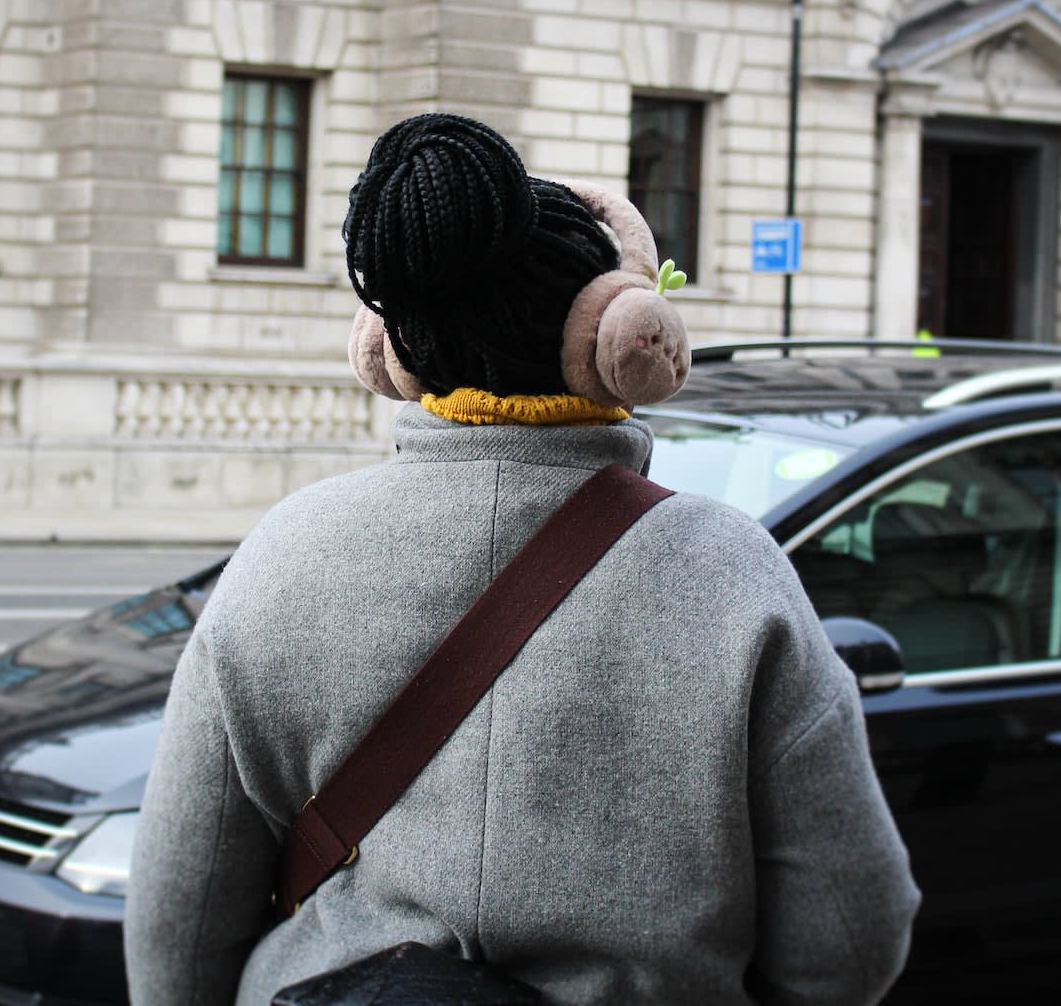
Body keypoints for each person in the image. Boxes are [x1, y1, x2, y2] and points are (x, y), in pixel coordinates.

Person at [125, 113, 918, 1005]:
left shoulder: (284, 551)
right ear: (623, 342)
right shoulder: (735, 574)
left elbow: (178, 922)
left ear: (392, 350)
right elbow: (854, 935)